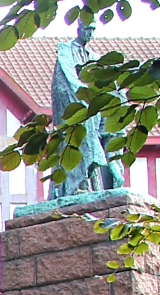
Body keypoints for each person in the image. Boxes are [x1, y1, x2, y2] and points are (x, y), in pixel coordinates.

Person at [50, 21, 126, 198]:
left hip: (95, 109)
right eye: (87, 28)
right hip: (78, 110)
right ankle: (79, 184)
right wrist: (87, 101)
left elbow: (108, 84)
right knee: (83, 123)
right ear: (78, 28)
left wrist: (117, 95)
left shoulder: (95, 57)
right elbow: (64, 84)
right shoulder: (65, 51)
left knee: (116, 105)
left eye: (93, 29)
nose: (89, 33)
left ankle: (112, 165)